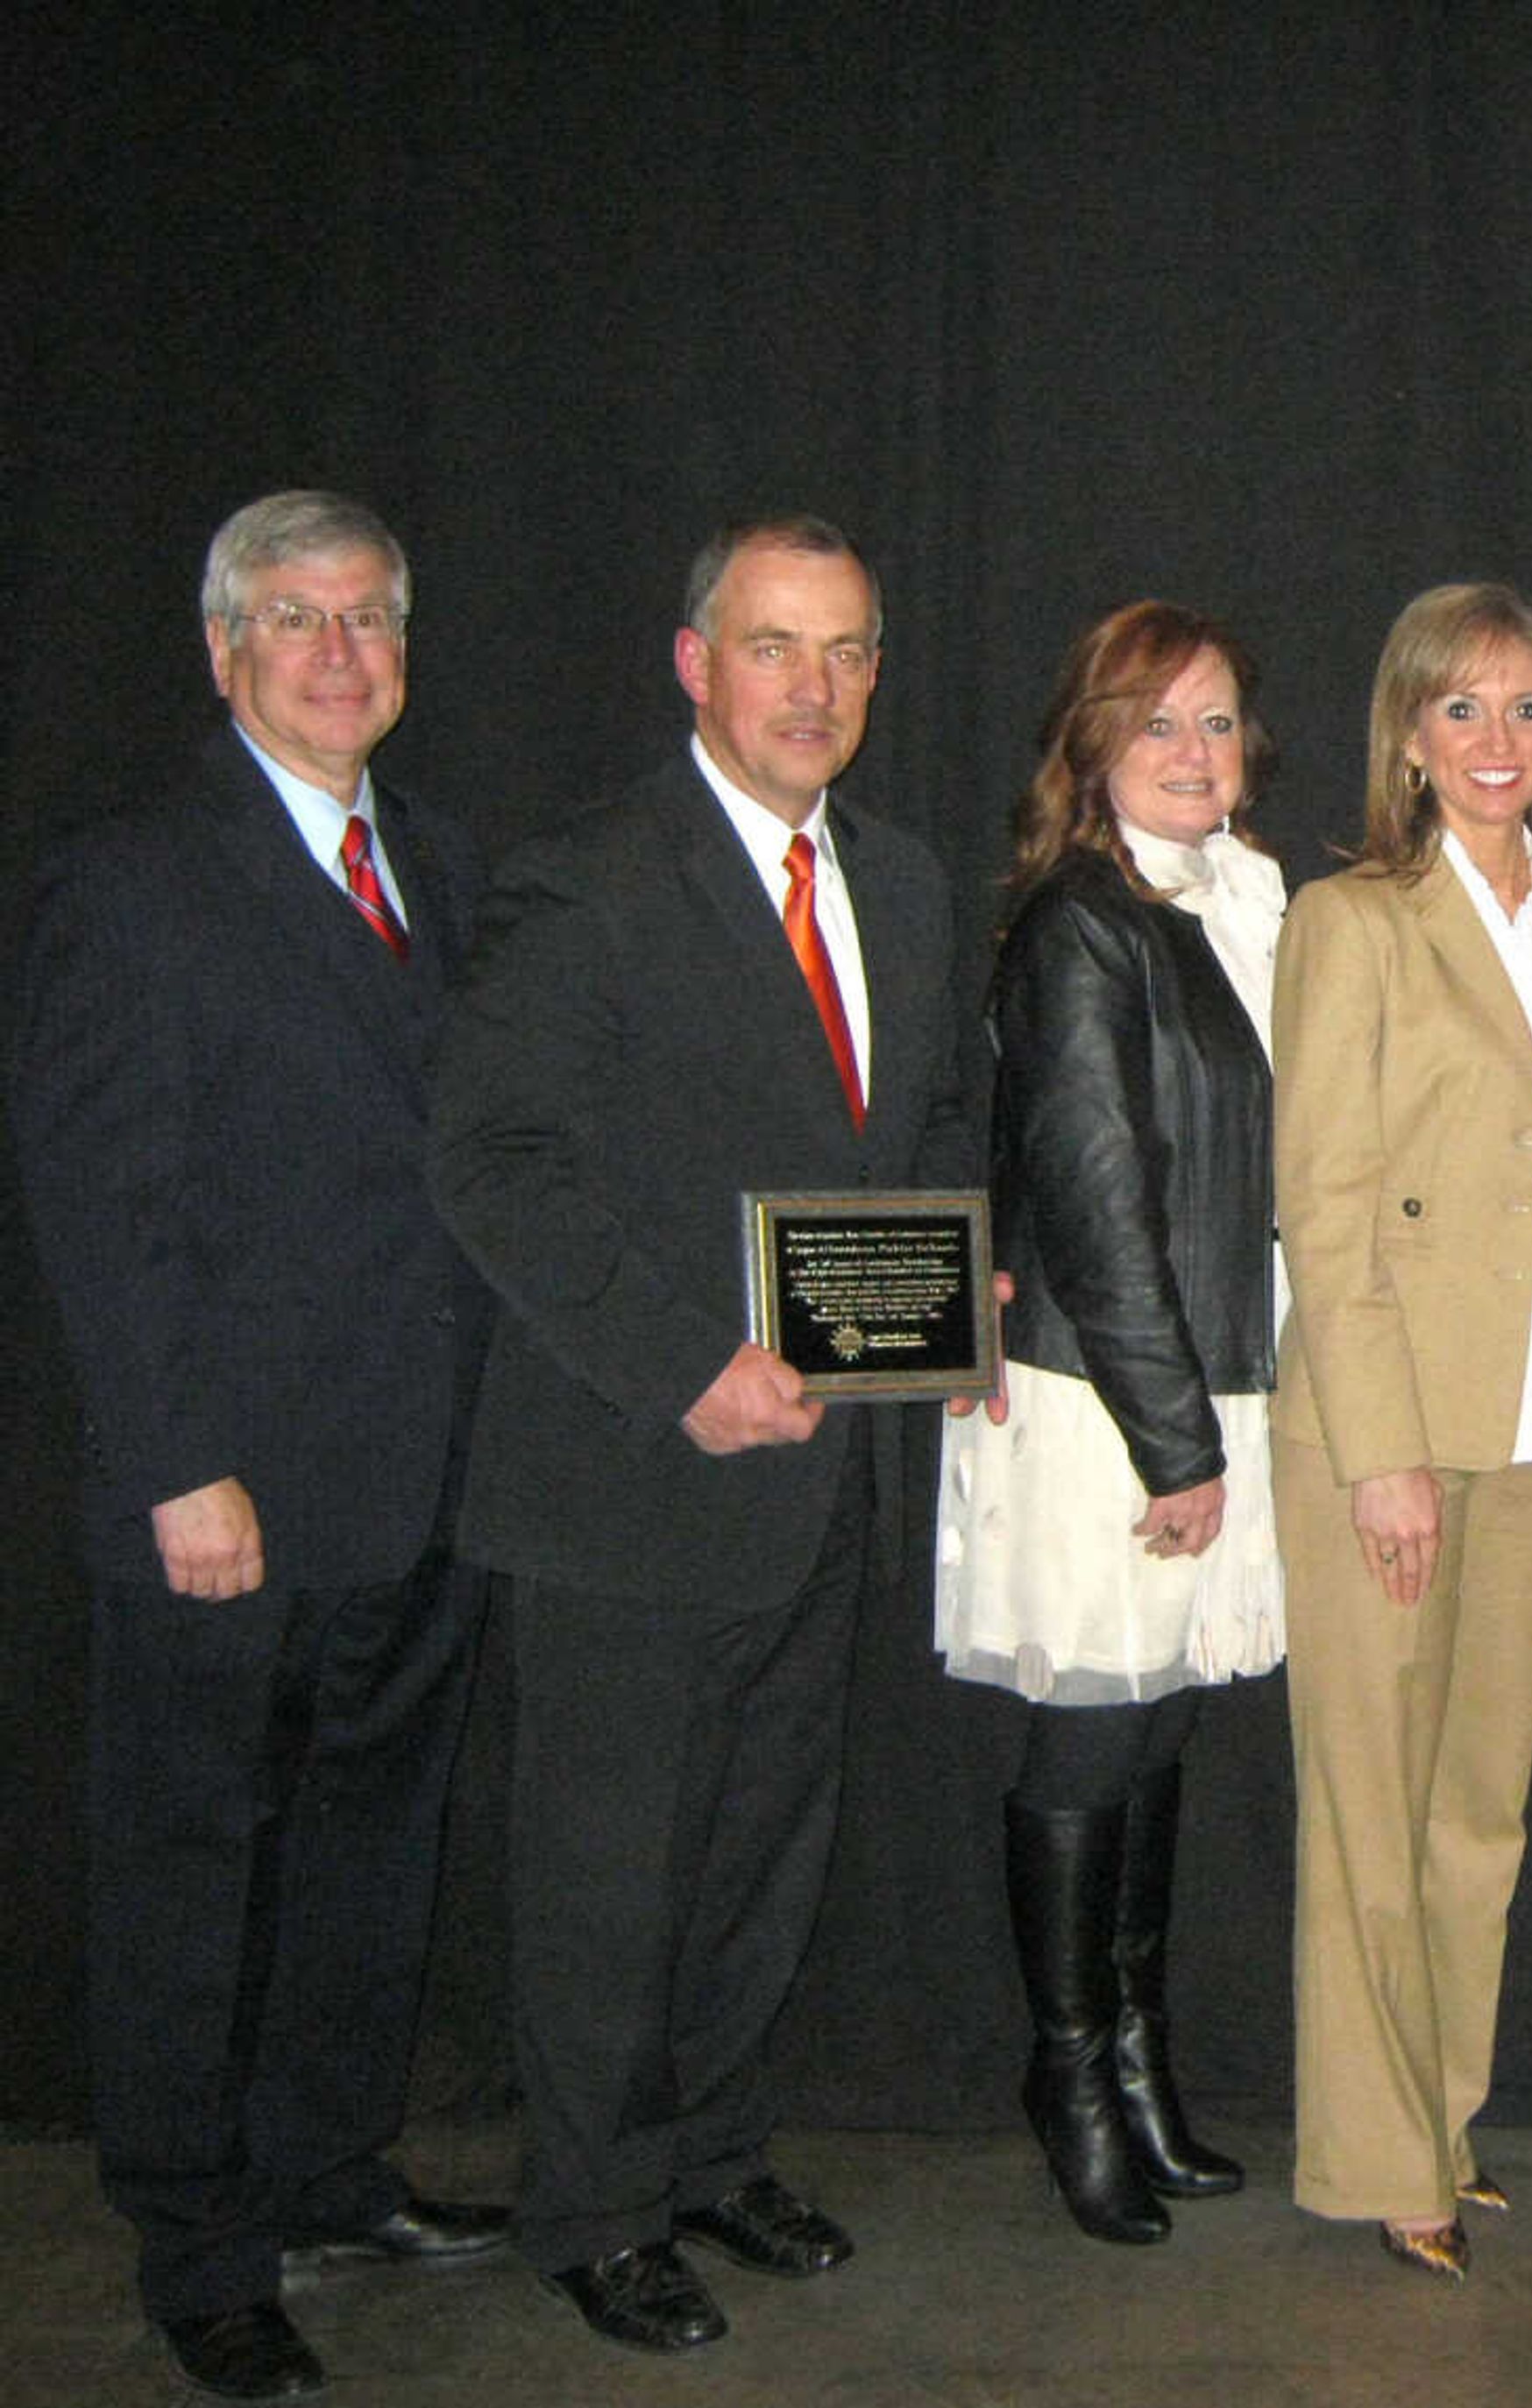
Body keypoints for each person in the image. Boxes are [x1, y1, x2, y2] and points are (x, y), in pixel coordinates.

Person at [428, 516, 965, 2356]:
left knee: (760, 1854)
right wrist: (682, 1364)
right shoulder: (585, 883)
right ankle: (591, 2209)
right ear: (693, 663)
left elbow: (923, 1142)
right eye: (771, 648)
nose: (810, 688)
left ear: (876, 674)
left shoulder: (897, 881)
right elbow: (493, 1160)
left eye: (844, 652)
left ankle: (717, 2154)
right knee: (607, 1878)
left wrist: (954, 1323)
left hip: (821, 1482)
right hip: (626, 1482)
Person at [10, 491, 504, 2402]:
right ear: (222, 653)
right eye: (292, 618)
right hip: (225, 1490)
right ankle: (201, 2244)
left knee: (369, 1856)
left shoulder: (443, 868)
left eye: (369, 615)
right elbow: (95, 1190)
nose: (335, 648)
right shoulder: (132, 875)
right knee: (189, 1869)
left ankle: (324, 2167)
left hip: (419, 1474)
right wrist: (168, 1459)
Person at [1271, 583, 1532, 2283]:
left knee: (1479, 1809)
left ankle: (1442, 2111)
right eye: (1461, 711)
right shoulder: (1348, 921)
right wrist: (1379, 1452)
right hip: (1392, 1429)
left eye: (1528, 711)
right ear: (1406, 738)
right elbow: (1324, 1208)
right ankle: (1374, 2157)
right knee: (1370, 1802)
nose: (1498, 743)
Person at [934, 602, 1287, 2246]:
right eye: (1159, 726)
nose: (1196, 755)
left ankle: (1139, 2061)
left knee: (1155, 1737)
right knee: (1087, 1742)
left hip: (1200, 1383)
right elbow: (1090, 1200)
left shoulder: (1236, 901)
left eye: (1218, 724)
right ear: (1092, 748)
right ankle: (1068, 2077)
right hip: (1106, 1404)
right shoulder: (1081, 921)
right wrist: (1179, 1443)